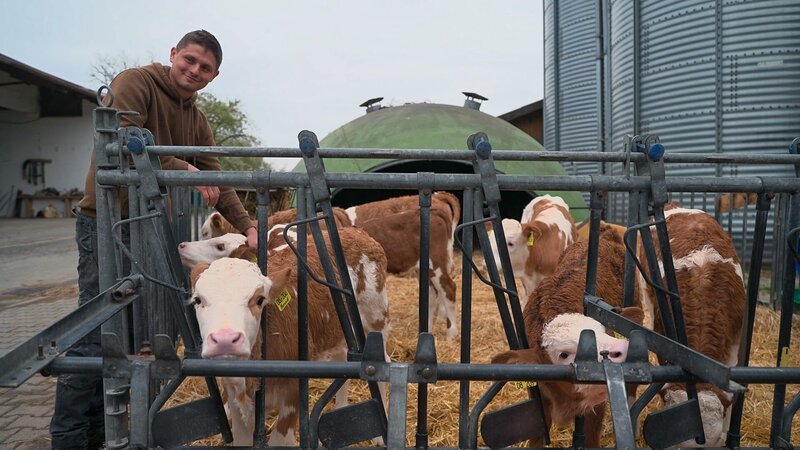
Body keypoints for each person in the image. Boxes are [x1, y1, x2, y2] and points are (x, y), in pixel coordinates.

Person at [50, 30, 256, 449]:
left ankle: (106, 428)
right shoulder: (136, 82)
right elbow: (126, 142)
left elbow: (216, 175)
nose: (194, 71)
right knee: (96, 325)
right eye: (190, 60)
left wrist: (248, 225)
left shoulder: (197, 120)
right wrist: (184, 168)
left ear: (214, 77)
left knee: (132, 334)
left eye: (205, 68)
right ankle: (69, 435)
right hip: (106, 223)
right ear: (173, 54)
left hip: (150, 227)